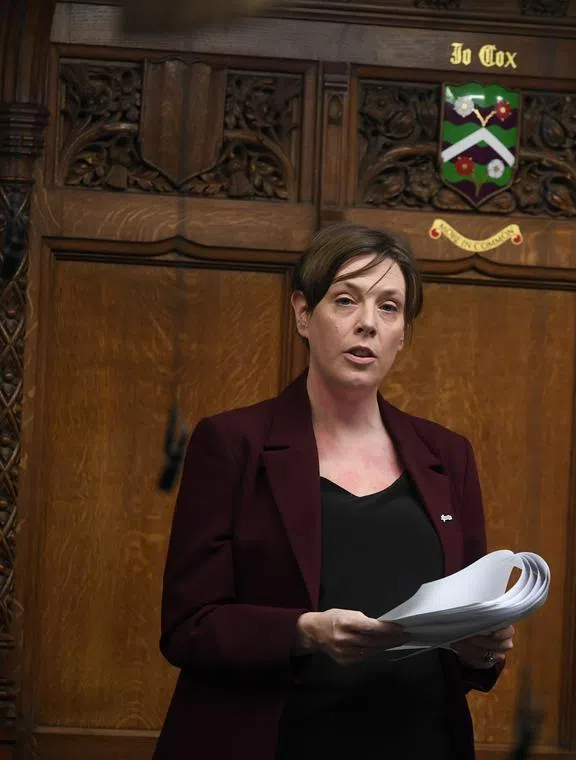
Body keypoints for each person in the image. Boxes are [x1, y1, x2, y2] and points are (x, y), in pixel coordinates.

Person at [153, 223, 514, 760]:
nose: (367, 324)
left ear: (403, 333)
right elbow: (188, 628)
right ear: (303, 313)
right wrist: (303, 632)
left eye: (389, 308)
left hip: (419, 740)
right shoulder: (232, 443)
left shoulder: (448, 455)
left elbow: (465, 624)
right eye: (346, 300)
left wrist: (480, 651)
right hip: (276, 740)